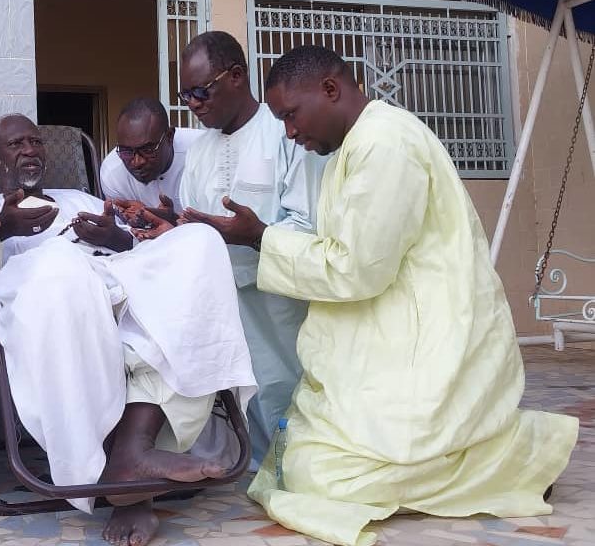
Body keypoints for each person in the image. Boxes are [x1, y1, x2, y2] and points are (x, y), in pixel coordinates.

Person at [239, 45, 578, 546]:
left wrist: (258, 237)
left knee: (315, 476)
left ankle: (516, 457)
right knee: (298, 458)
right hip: (390, 336)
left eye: (291, 115)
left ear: (331, 89)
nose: (290, 132)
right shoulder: (356, 146)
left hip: (427, 344)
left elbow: (356, 269)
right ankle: (503, 453)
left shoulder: (384, 144)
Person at [0, 114, 257, 546]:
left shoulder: (82, 198)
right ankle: (122, 480)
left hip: (117, 285)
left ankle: (132, 456)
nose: (30, 149)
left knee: (199, 242)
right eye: (17, 144)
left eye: (36, 141)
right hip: (41, 293)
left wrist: (117, 238)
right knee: (59, 264)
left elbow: (143, 247)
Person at [140, 31, 323, 467]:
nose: (194, 104)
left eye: (202, 91)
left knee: (284, 389)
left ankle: (295, 471)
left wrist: (250, 233)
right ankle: (254, 470)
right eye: (186, 95)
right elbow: (192, 225)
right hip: (219, 301)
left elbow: (307, 222)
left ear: (237, 76)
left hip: (278, 301)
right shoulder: (199, 151)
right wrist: (169, 229)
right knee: (242, 394)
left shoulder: (286, 134)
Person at [99, 97, 202, 218]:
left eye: (147, 150)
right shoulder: (112, 173)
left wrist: (173, 220)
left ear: (169, 137)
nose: (137, 162)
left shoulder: (202, 152)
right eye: (126, 151)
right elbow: (125, 229)